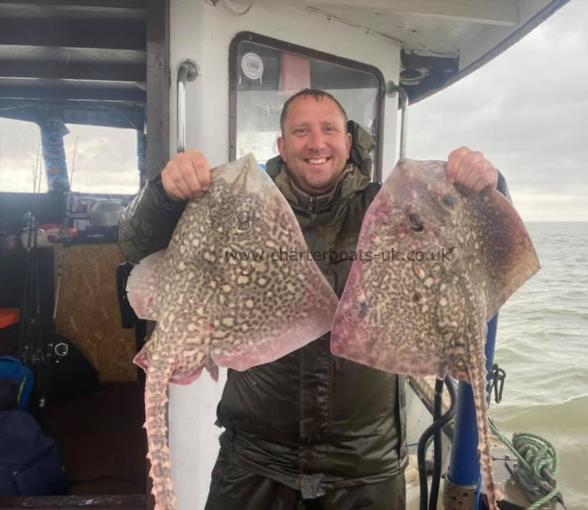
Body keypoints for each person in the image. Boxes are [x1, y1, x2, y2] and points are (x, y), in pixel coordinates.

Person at [118, 88, 507, 510]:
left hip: (366, 465)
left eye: (329, 130)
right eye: (301, 131)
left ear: (348, 142)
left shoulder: (390, 208)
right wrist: (164, 193)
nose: (316, 143)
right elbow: (137, 243)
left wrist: (486, 184)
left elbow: (475, 251)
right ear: (282, 146)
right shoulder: (239, 208)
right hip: (256, 459)